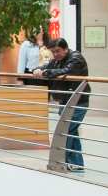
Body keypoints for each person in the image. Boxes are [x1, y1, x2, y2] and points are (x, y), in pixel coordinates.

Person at [35, 37, 91, 172]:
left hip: (78, 102)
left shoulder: (76, 58)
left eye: (58, 51)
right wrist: (38, 69)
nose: (55, 55)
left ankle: (63, 160)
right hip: (66, 101)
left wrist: (46, 72)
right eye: (53, 52)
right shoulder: (57, 60)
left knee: (66, 130)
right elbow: (47, 66)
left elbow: (66, 71)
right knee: (70, 131)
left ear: (65, 49)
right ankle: (76, 164)